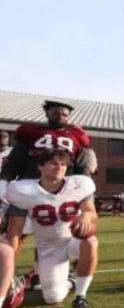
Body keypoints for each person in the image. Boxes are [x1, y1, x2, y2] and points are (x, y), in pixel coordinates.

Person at [0, 100, 96, 288]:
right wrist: (4, 182)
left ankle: (40, 274)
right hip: (29, 190)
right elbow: (15, 161)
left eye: (64, 114)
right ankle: (6, 273)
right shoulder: (30, 133)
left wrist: (84, 188)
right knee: (16, 234)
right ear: (47, 113)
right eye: (56, 112)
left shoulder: (77, 136)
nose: (60, 116)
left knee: (52, 235)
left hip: (63, 192)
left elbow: (83, 164)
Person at [4, 149, 98, 308]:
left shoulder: (78, 185)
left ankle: (80, 296)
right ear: (40, 166)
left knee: (90, 242)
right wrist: (7, 266)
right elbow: (15, 231)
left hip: (72, 239)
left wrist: (85, 216)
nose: (59, 167)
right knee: (52, 297)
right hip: (48, 248)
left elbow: (91, 213)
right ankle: (70, 282)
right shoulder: (23, 191)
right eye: (53, 163)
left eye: (63, 164)